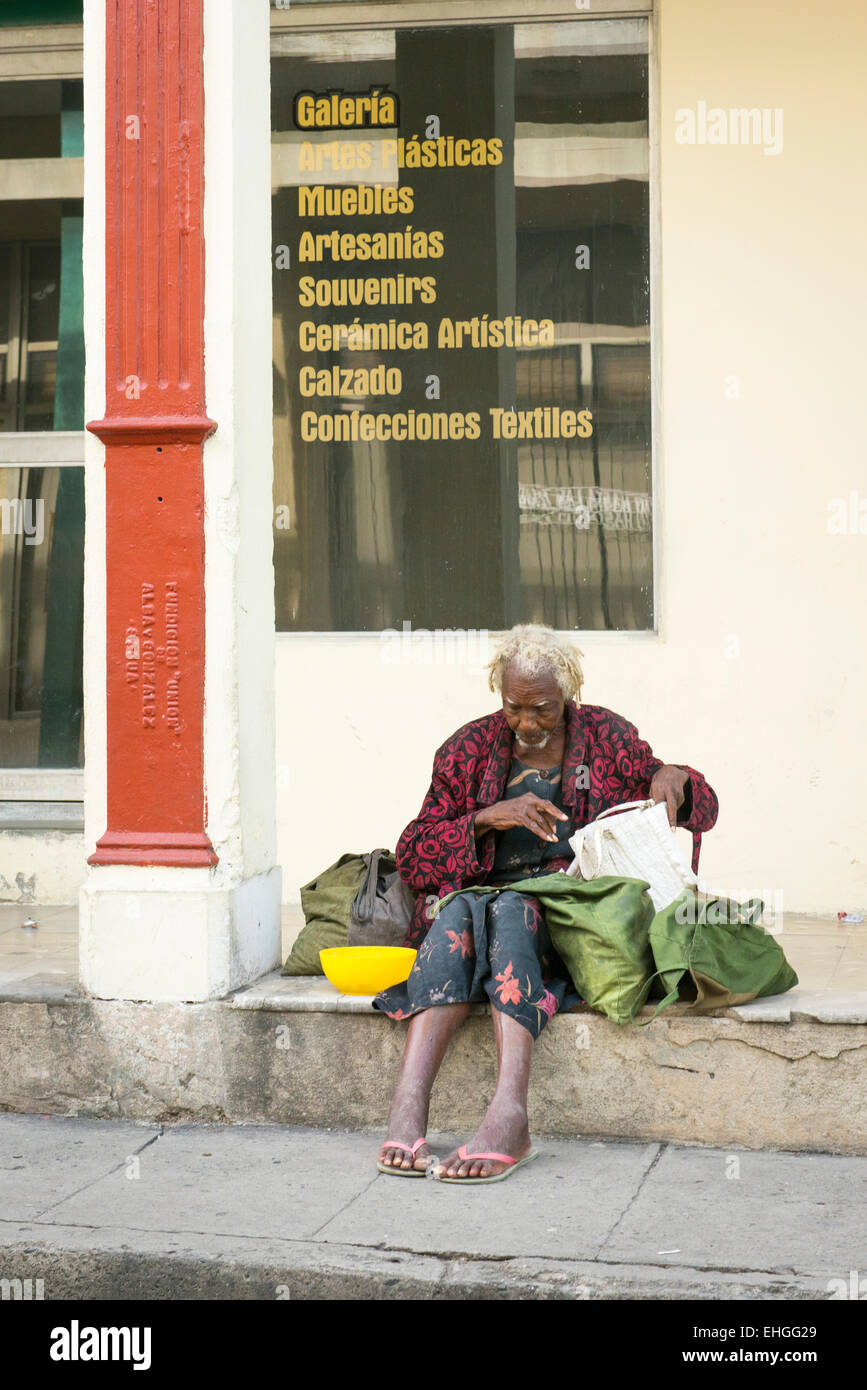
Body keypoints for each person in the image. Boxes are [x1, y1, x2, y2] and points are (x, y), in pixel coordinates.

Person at [374, 624, 718, 1182]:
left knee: (513, 909)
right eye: (515, 708)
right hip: (477, 912)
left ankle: (510, 1114)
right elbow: (413, 854)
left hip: (568, 917)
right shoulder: (467, 749)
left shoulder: (608, 739)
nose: (528, 724)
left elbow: (702, 809)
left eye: (544, 710)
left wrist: (674, 776)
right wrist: (486, 819)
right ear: (499, 694)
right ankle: (408, 1104)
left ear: (569, 695)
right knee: (463, 909)